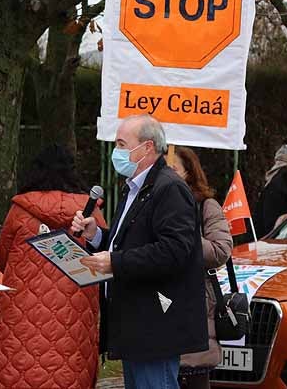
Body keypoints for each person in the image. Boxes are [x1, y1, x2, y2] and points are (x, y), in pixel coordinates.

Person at [71, 115, 207, 389]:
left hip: (156, 321)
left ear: (147, 148)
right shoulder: (136, 187)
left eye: (122, 144)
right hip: (137, 319)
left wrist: (116, 262)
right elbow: (131, 242)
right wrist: (96, 235)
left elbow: (174, 251)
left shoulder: (168, 189)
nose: (116, 152)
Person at [0, 144, 106, 389]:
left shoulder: (21, 210)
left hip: (21, 311)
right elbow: (103, 258)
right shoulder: (90, 212)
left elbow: (2, 258)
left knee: (17, 369)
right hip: (74, 313)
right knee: (69, 370)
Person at [168, 146, 232, 389]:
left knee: (192, 376)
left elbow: (220, 251)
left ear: (189, 174)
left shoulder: (205, 206)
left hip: (195, 308)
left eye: (173, 169)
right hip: (158, 305)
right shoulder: (147, 202)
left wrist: (184, 234)